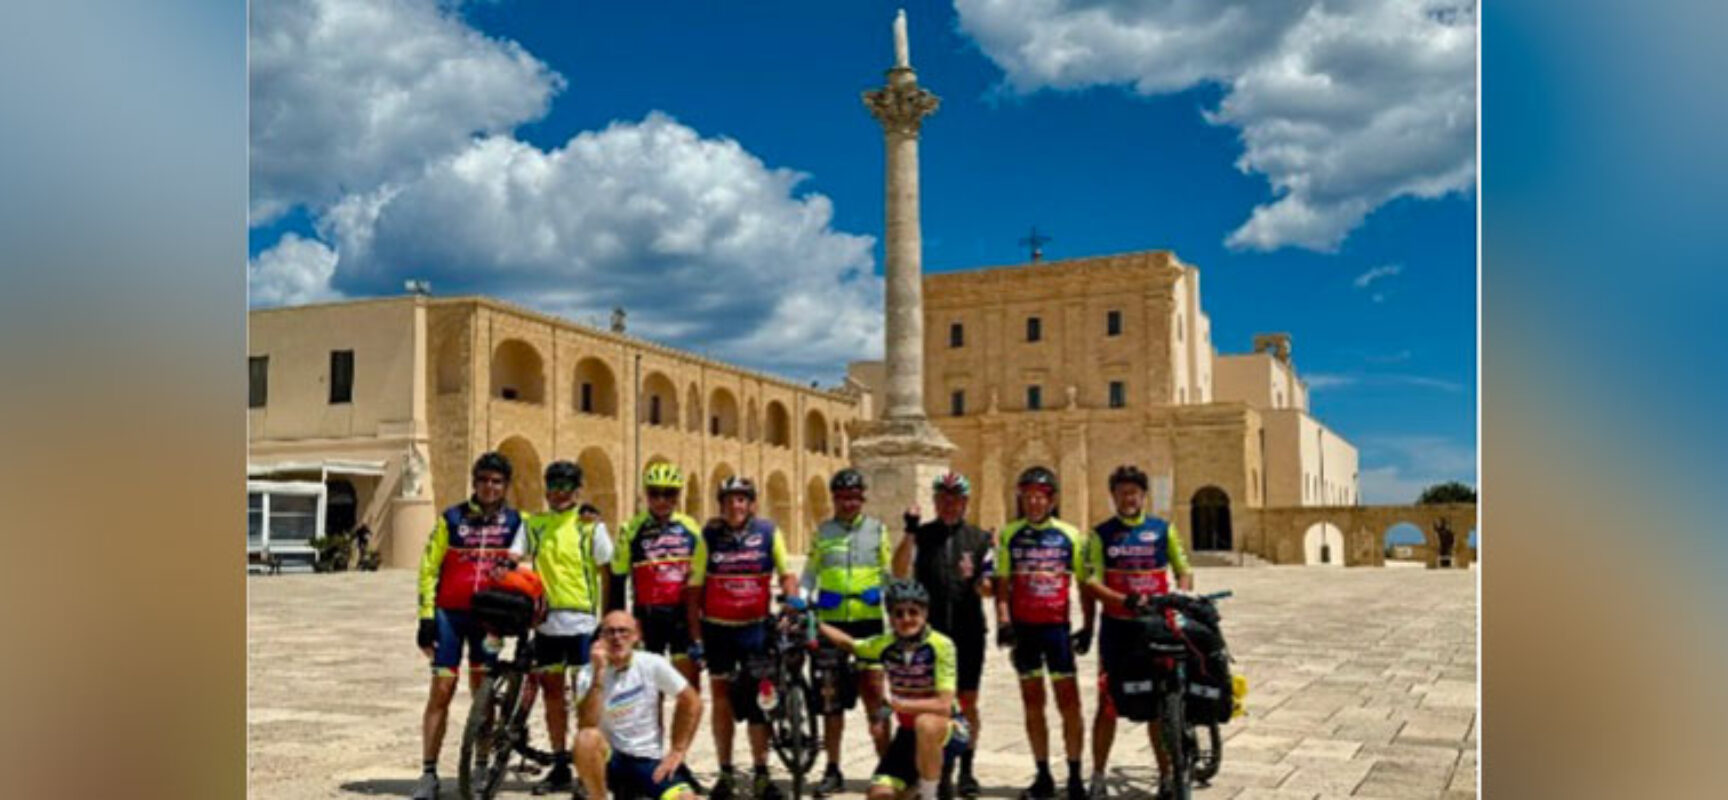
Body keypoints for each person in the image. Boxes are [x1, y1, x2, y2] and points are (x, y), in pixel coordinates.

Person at [412, 452, 529, 800]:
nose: (489, 487)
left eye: (496, 481)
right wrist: (426, 619)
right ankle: (429, 773)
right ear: (474, 482)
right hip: (450, 614)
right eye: (483, 480)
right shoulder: (451, 518)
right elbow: (429, 568)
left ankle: (480, 763)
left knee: (484, 692)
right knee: (441, 691)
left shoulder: (515, 522)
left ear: (505, 486)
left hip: (489, 618)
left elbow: (531, 564)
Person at [685, 476, 801, 800]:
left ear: (751, 504)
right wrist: (695, 637)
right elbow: (694, 588)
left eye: (741, 500)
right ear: (721, 504)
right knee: (721, 699)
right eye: (728, 500)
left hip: (755, 630)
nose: (734, 506)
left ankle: (761, 773)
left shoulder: (767, 532)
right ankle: (725, 772)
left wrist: (792, 601)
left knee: (758, 704)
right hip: (718, 629)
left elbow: (786, 573)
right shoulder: (708, 535)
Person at [1080, 465, 1192, 800]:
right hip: (1118, 628)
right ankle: (1098, 775)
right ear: (1112, 496)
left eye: (1134, 492)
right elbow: (1091, 582)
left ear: (1143, 496)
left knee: (1159, 702)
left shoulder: (1162, 530)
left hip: (1156, 625)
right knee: (1107, 702)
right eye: (1121, 492)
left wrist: (1182, 595)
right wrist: (1123, 600)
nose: (1128, 498)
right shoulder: (1101, 535)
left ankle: (1166, 774)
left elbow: (1183, 569)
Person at [817, 580, 969, 800]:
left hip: (947, 729)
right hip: (907, 735)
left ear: (925, 613)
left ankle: (929, 794)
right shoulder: (885, 644)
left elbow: (944, 704)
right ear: (890, 617)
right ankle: (916, 787)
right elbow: (850, 644)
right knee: (880, 795)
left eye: (913, 612)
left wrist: (899, 704)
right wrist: (814, 621)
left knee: (925, 723)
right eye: (898, 614)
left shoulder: (942, 645)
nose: (906, 619)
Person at [893, 471, 994, 798]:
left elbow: (989, 582)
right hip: (931, 635)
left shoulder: (979, 539)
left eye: (956, 499)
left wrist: (984, 584)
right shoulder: (923, 536)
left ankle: (966, 767)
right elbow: (898, 568)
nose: (950, 505)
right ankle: (935, 768)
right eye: (943, 499)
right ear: (935, 501)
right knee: (931, 704)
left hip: (967, 631)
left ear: (966, 502)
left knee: (967, 701)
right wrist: (909, 532)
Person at [994, 466, 1092, 800]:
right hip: (1025, 630)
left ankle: (1076, 774)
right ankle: (1043, 774)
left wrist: (1089, 627)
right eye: (1028, 497)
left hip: (1056, 629)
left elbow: (1084, 584)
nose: (1034, 503)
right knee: (1032, 702)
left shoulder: (1070, 535)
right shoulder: (1010, 534)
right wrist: (1004, 621)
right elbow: (1002, 584)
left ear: (1051, 500)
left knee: (1070, 703)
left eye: (1040, 497)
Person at [522, 460, 614, 794]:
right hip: (546, 623)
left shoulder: (590, 525)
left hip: (582, 622)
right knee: (552, 695)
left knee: (585, 697)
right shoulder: (535, 524)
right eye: (553, 486)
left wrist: (608, 622)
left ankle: (587, 766)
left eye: (565, 486)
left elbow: (608, 570)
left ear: (577, 490)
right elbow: (515, 555)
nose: (558, 493)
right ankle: (560, 762)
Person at [802, 468, 892, 796]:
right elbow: (811, 571)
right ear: (835, 499)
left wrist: (886, 595)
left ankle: (887, 768)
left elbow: (886, 572)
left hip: (868, 622)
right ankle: (833, 767)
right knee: (831, 700)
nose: (849, 503)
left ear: (862, 498)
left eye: (854, 497)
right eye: (842, 497)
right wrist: (801, 597)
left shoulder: (878, 531)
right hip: (831, 622)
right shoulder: (823, 532)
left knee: (875, 696)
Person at [573, 610, 704, 800]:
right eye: (610, 632)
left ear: (636, 635)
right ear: (601, 638)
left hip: (647, 760)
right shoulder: (587, 673)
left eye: (623, 631)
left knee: (687, 798)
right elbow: (586, 723)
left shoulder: (651, 663)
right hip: (609, 759)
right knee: (586, 738)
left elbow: (692, 702)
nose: (617, 638)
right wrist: (599, 675)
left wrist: (678, 751)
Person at [610, 461, 704, 689]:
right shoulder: (631, 529)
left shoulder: (691, 528)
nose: (662, 501)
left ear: (678, 496)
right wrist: (617, 622)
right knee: (650, 691)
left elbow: (702, 577)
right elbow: (617, 578)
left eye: (669, 494)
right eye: (655, 494)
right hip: (647, 616)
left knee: (688, 686)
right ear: (646, 495)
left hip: (682, 615)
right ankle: (655, 727)